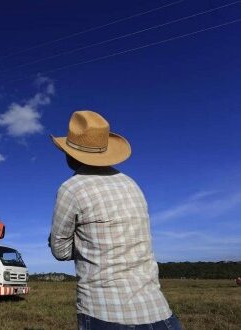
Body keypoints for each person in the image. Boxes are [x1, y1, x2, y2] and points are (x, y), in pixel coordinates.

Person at [49, 110, 182, 329]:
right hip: (158, 311)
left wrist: (83, 244)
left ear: (70, 154)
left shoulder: (71, 189)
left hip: (104, 313)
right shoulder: (132, 184)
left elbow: (60, 251)